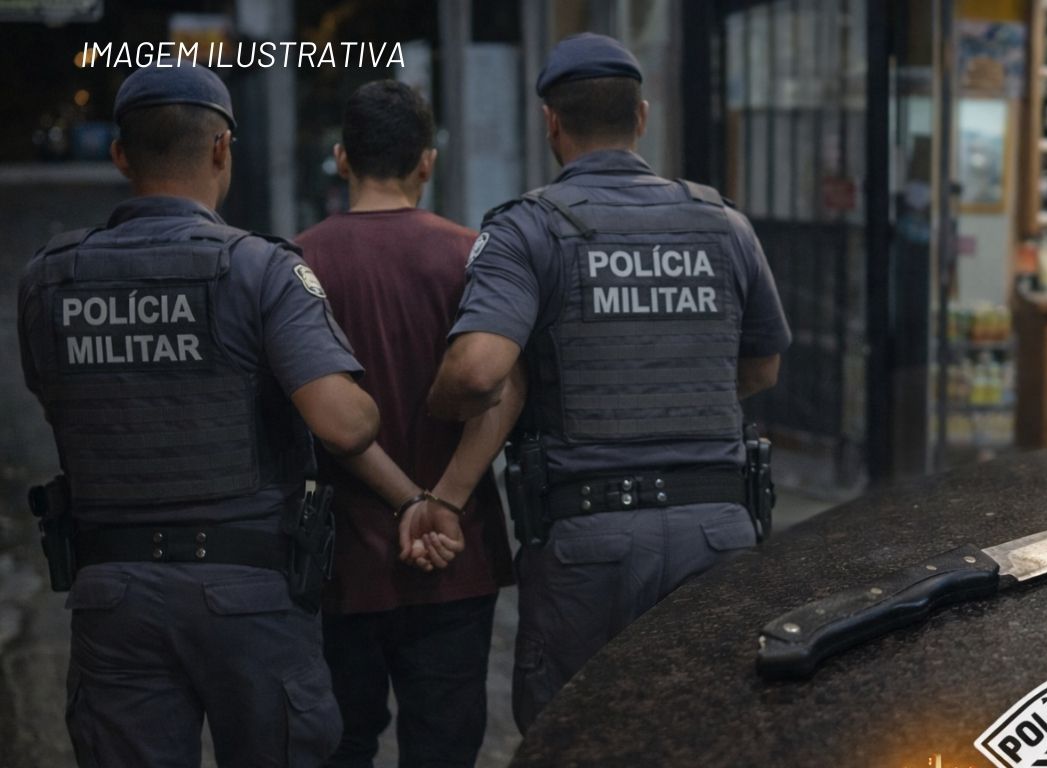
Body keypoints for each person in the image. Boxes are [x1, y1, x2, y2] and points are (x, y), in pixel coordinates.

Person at [16, 65, 386, 766]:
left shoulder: (48, 278)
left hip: (111, 594)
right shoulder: (259, 269)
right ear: (222, 150)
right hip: (246, 591)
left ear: (120, 155)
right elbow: (343, 424)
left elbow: (54, 395)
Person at [426, 33, 792, 732]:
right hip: (717, 531)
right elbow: (762, 367)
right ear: (642, 117)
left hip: (588, 541)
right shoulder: (724, 223)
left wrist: (437, 405)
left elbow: (477, 372)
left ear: (551, 123)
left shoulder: (528, 230)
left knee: (577, 735)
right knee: (707, 733)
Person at [294, 80, 521, 768]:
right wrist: (441, 501)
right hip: (456, 552)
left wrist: (404, 503)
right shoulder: (476, 254)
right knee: (446, 747)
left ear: (341, 158)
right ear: (428, 161)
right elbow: (505, 388)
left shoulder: (295, 262)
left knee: (342, 742)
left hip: (340, 557)